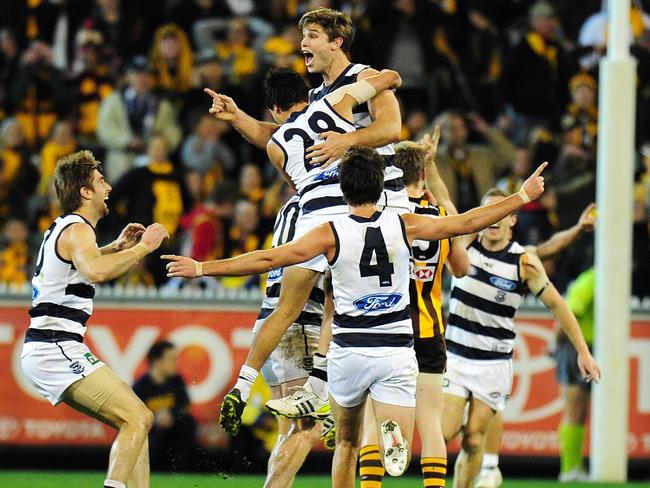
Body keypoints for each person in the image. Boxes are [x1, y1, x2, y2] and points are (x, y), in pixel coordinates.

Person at [164, 146, 548, 487]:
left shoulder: (328, 234)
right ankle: (391, 433)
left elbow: (267, 259)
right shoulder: (405, 223)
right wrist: (519, 197)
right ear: (381, 188)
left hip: (349, 352)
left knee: (346, 441)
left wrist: (201, 268)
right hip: (398, 349)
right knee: (395, 421)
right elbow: (464, 223)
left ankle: (374, 438)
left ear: (343, 190)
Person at [20, 150, 169, 488]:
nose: (109, 188)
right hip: (54, 346)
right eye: (101, 182)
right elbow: (95, 272)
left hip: (50, 347)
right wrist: (144, 248)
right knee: (139, 417)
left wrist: (115, 247)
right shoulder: (78, 229)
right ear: (85, 192)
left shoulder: (68, 230)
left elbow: (82, 263)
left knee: (136, 423)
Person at [440, 189, 601, 488]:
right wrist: (429, 165)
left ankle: (481, 468)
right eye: (491, 212)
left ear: (512, 219)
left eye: (502, 213)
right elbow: (445, 202)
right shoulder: (464, 246)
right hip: (457, 358)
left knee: (474, 439)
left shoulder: (523, 261)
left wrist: (583, 352)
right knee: (445, 432)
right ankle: (480, 453)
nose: (495, 219)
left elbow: (557, 304)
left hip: (493, 363)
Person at [357, 133, 470, 488]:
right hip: (428, 330)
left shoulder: (385, 217)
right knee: (431, 424)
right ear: (422, 174)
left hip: (387, 330)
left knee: (375, 421)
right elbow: (462, 269)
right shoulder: (440, 217)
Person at [132, 341, 198, 472]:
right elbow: (133, 415)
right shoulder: (140, 386)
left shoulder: (176, 380)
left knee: (188, 423)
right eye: (171, 359)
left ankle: (180, 471)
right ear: (157, 361)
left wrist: (171, 415)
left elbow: (185, 405)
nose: (176, 363)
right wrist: (156, 419)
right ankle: (148, 471)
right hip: (152, 431)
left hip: (173, 429)